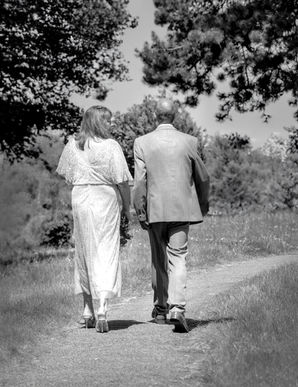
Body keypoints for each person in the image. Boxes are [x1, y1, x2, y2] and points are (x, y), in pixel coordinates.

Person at [132, 98, 210, 333]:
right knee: (178, 257)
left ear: (156, 117)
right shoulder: (190, 141)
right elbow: (203, 177)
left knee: (159, 259)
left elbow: (139, 183)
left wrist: (141, 211)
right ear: (174, 117)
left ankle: (161, 309)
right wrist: (202, 205)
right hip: (181, 209)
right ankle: (178, 307)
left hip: (155, 210)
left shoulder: (142, 142)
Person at [56, 106, 132, 333]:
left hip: (80, 197)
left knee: (85, 250)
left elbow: (68, 176)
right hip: (103, 198)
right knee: (105, 249)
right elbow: (122, 180)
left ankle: (87, 310)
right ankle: (102, 308)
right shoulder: (110, 146)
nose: (111, 124)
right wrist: (127, 208)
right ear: (98, 122)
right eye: (107, 121)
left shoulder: (73, 145)